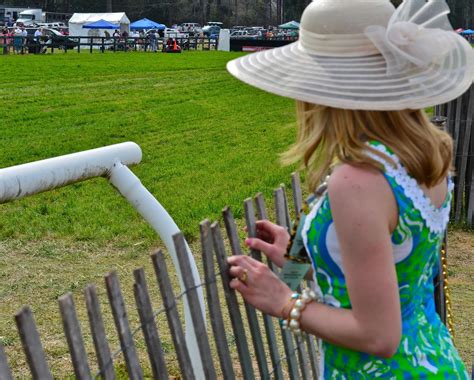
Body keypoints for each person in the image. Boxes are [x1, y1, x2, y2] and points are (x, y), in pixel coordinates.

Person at [226, 0, 473, 378]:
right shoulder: (424, 152)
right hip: (433, 361)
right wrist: (312, 257)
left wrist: (284, 302)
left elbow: (379, 335)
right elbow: (397, 266)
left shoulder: (357, 179)